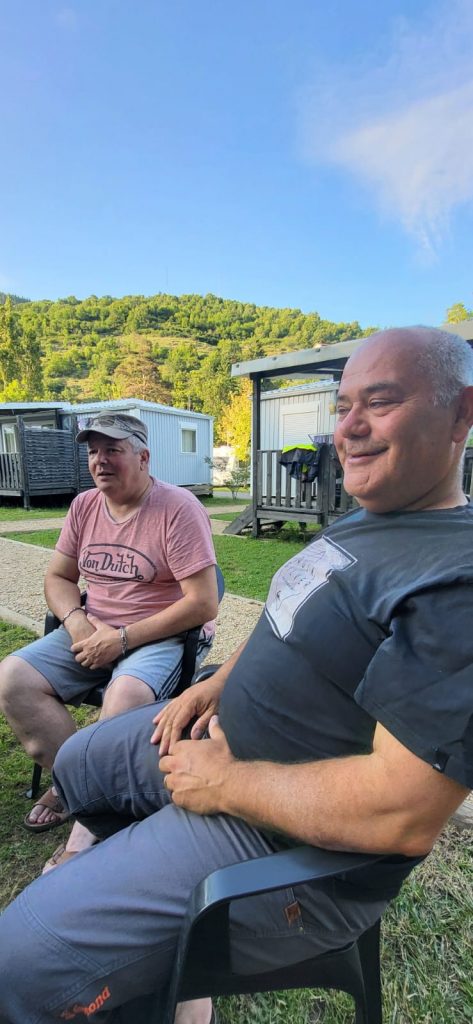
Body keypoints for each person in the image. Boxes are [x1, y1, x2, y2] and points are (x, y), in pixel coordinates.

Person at [0, 327, 472, 1024]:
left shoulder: (455, 582)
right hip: (226, 750)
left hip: (288, 847)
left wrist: (226, 783)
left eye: (379, 403)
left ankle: (139, 942)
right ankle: (139, 925)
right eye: (342, 407)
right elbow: (287, 616)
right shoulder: (367, 521)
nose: (348, 430)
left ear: (461, 413)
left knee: (16, 961)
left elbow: (400, 814)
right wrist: (215, 684)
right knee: (79, 763)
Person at [0, 412, 217, 868]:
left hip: (161, 634)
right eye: (93, 451)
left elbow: (203, 604)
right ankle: (74, 785)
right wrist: (78, 623)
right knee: (13, 678)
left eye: (112, 450)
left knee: (125, 696)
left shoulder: (178, 508)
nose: (100, 460)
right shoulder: (84, 506)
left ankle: (87, 832)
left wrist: (122, 639)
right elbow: (58, 578)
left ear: (143, 457)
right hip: (93, 627)